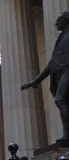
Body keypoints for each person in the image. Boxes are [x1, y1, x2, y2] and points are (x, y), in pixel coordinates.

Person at [21, 12, 69, 142]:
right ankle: (66, 134)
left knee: (60, 100)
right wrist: (35, 81)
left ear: (66, 21)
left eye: (59, 20)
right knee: (63, 102)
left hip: (66, 72)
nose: (56, 23)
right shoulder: (60, 38)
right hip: (59, 74)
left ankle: (67, 134)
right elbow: (52, 63)